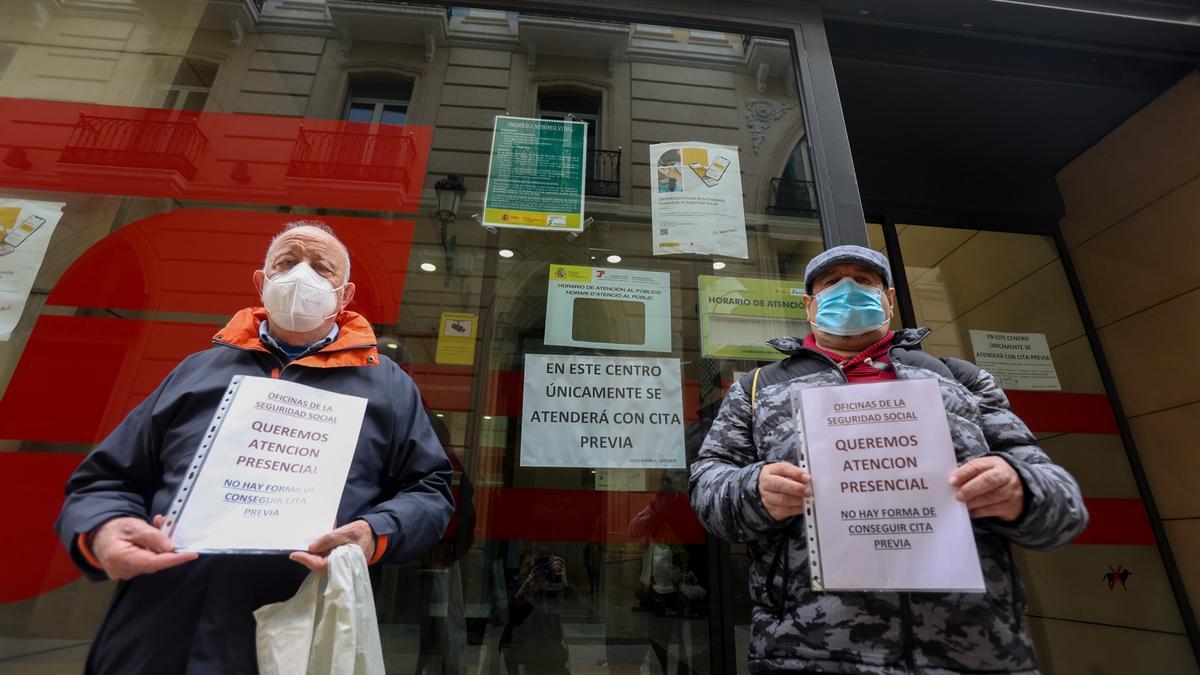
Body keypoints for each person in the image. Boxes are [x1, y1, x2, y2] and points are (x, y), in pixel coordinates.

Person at [55, 220, 456, 674]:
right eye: (287, 262)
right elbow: (104, 480)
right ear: (262, 283)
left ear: (344, 295)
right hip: (156, 631)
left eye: (322, 268)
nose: (301, 276)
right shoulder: (197, 371)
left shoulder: (388, 386)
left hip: (294, 632)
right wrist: (104, 530)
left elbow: (430, 491)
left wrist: (374, 532)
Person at [689, 244, 1088, 674]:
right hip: (809, 653)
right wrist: (754, 490)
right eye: (831, 283)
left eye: (863, 281)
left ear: (890, 300)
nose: (848, 289)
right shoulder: (757, 389)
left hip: (973, 649)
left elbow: (1063, 506)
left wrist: (1020, 490)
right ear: (809, 306)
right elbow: (708, 487)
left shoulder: (961, 380)